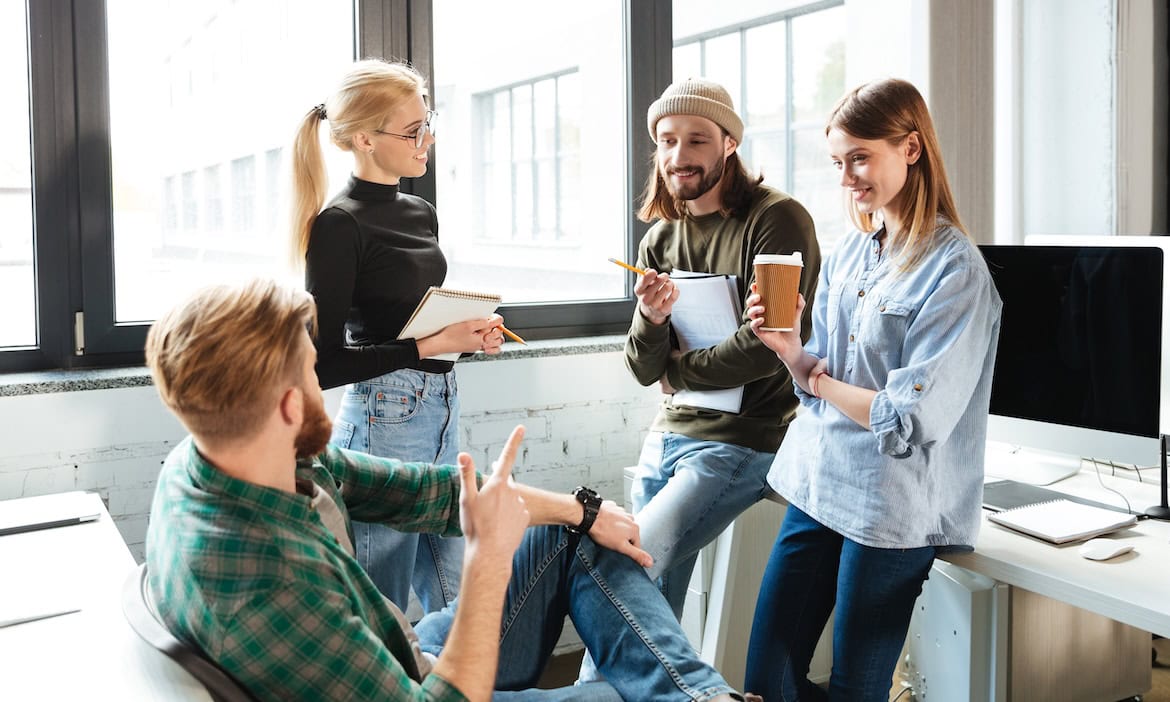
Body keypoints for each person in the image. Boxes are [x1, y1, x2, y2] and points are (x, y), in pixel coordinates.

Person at [143, 278, 749, 702]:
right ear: (284, 406)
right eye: (311, 372)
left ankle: (700, 697)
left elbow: (416, 491)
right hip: (422, 687)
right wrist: (486, 563)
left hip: (404, 651)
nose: (321, 383)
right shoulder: (266, 583)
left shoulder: (227, 452)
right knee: (631, 694)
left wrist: (580, 510)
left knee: (582, 534)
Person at [742, 78, 1003, 701]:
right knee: (765, 680)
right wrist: (790, 350)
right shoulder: (852, 251)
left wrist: (821, 379)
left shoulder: (956, 269)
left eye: (860, 157)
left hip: (892, 510)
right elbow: (821, 376)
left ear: (910, 148)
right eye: (838, 162)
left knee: (856, 688)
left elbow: (907, 419)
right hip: (819, 479)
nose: (846, 178)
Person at [289, 59, 501, 614]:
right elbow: (322, 364)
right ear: (363, 138)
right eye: (412, 131)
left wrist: (466, 336)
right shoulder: (339, 224)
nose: (425, 140)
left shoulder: (421, 212)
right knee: (380, 602)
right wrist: (430, 346)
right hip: (384, 418)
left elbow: (411, 317)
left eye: (427, 124)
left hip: (439, 407)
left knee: (455, 600)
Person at [623, 77, 821, 618]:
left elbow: (767, 345)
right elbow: (643, 368)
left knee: (627, 571)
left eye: (696, 140)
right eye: (666, 140)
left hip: (743, 441)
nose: (678, 155)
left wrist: (678, 373)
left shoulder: (778, 220)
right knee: (644, 585)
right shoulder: (659, 238)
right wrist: (651, 315)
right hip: (669, 435)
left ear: (729, 143)